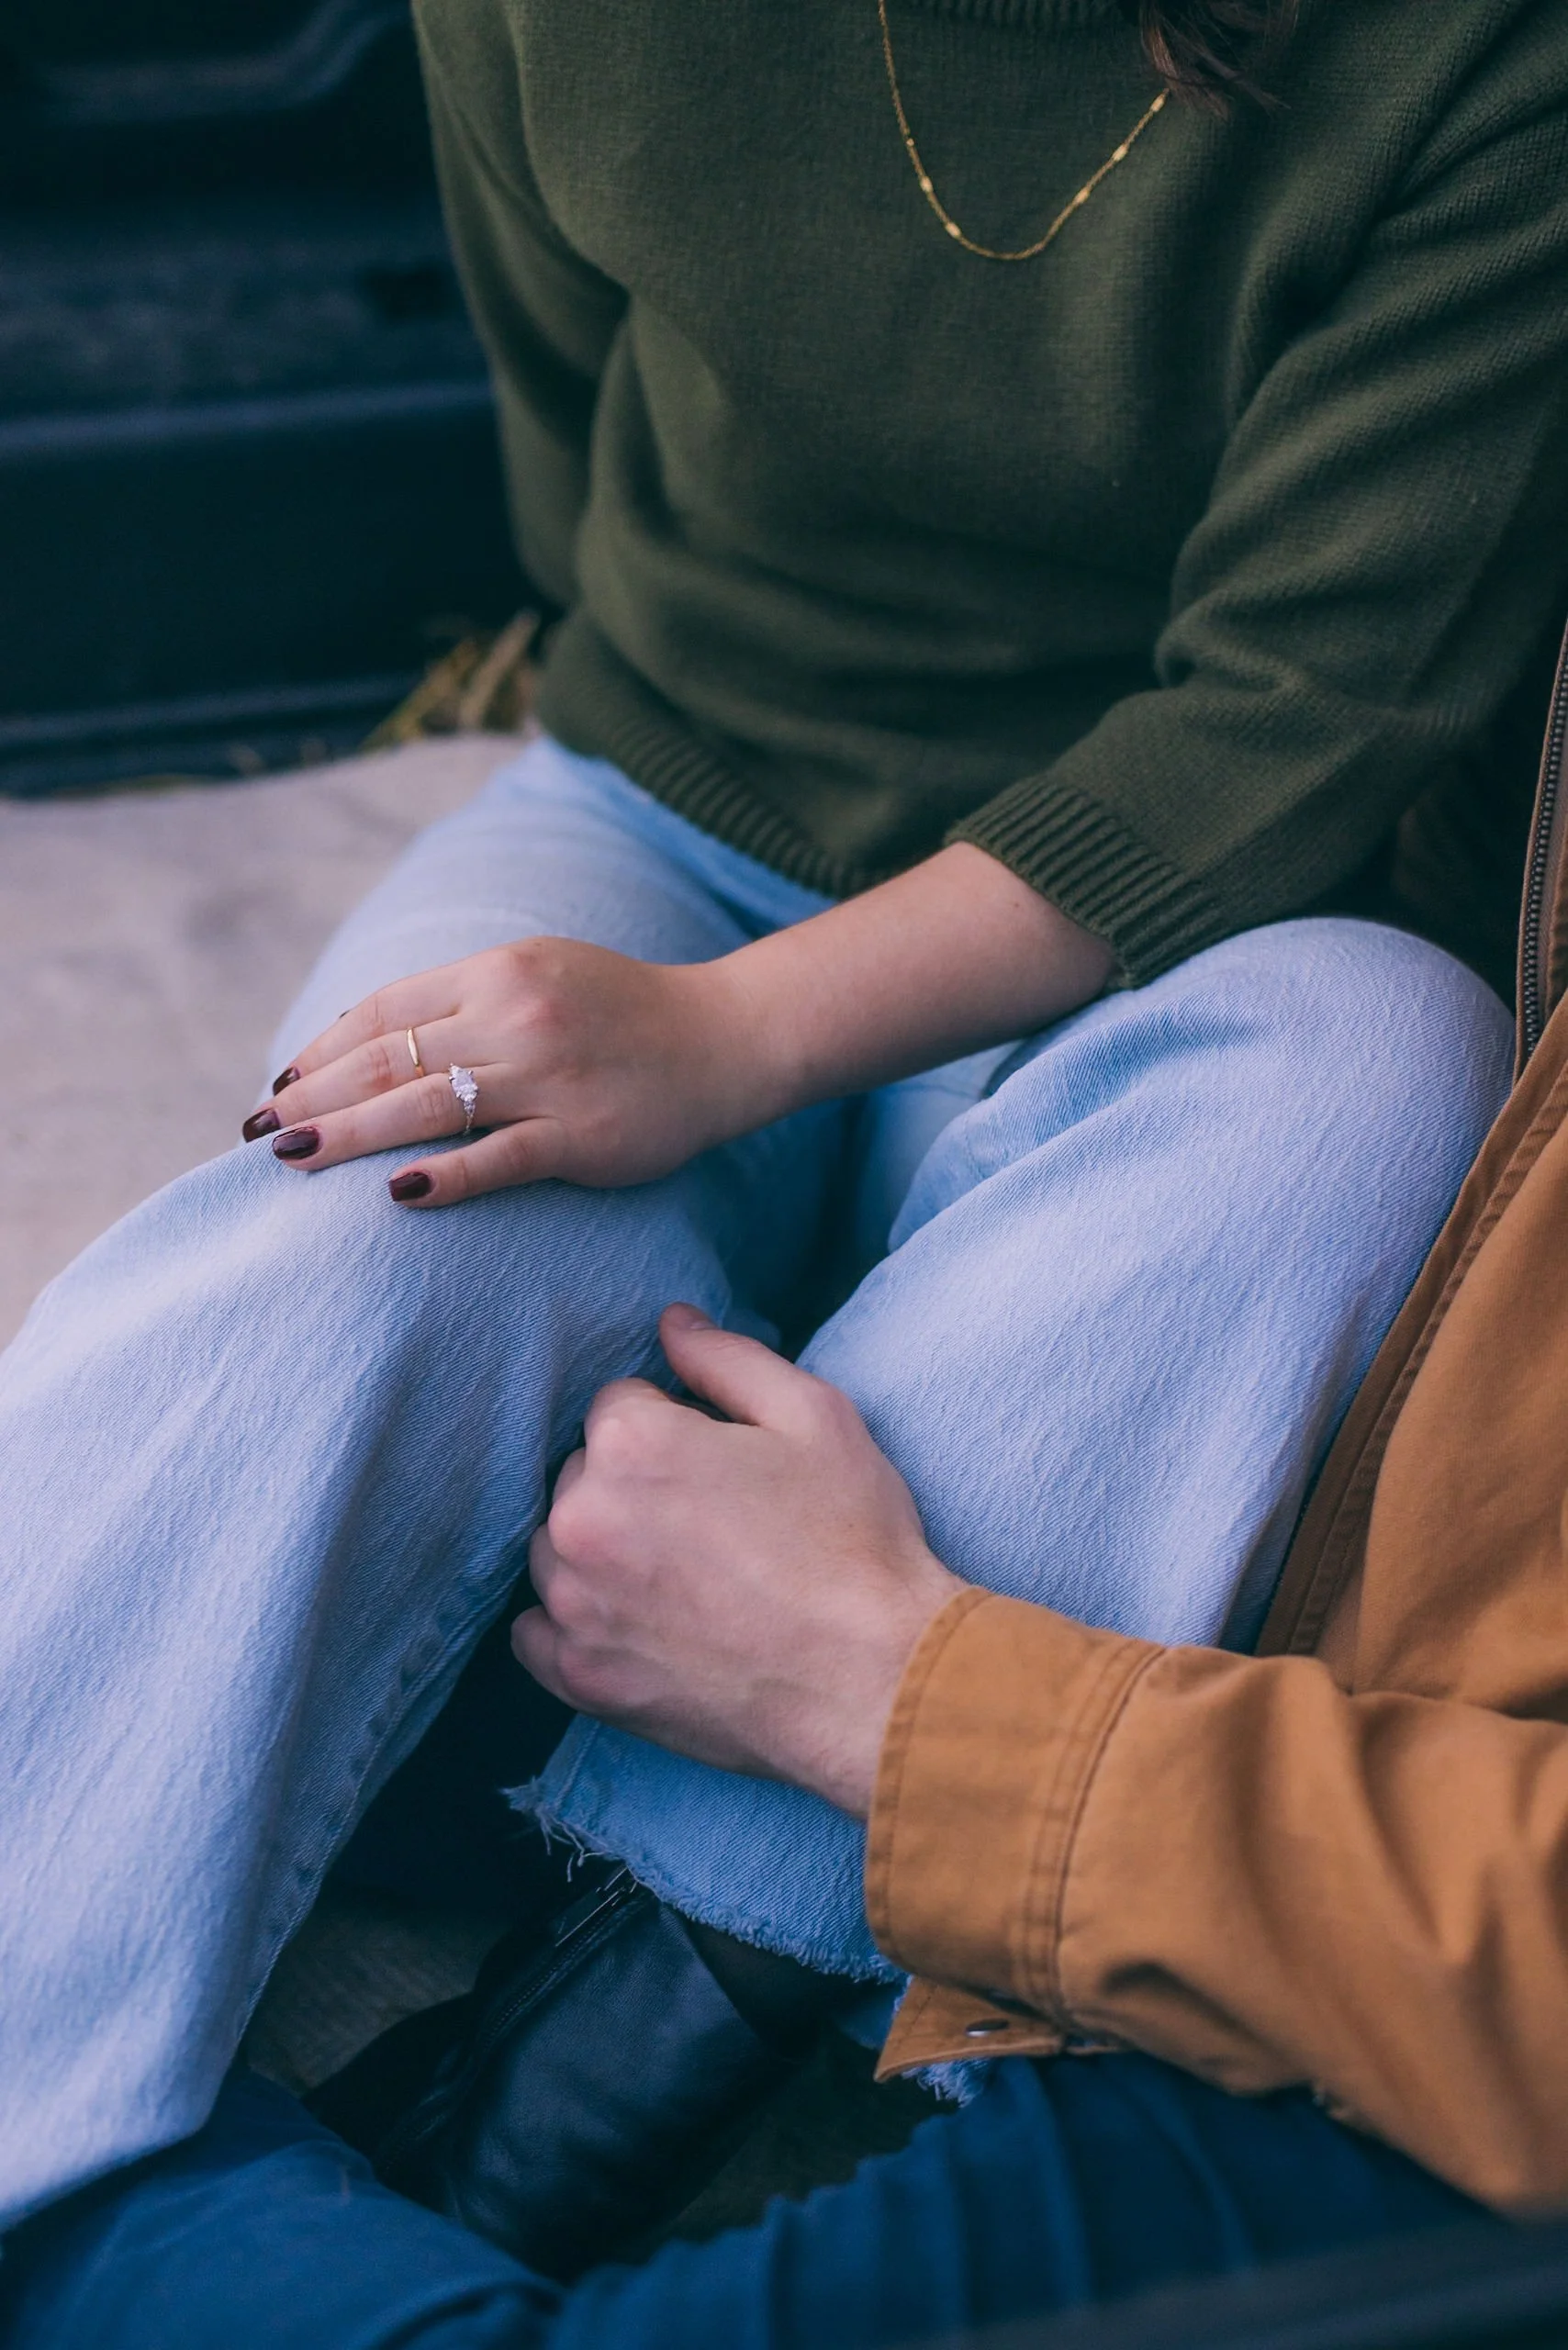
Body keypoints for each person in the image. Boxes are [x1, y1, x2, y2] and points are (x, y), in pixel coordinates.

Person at [3, 0, 1568, 2329]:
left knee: (1369, 1055)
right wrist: (669, 1010)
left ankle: (588, 2054)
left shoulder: (1481, 61)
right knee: (356, 1227)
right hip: (661, 791)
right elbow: (566, 435)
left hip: (1194, 911)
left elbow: (1308, 708)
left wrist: (734, 1042)